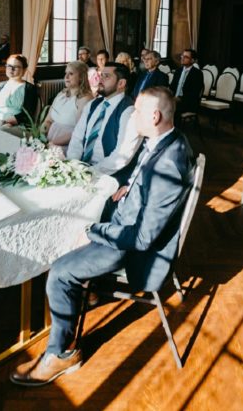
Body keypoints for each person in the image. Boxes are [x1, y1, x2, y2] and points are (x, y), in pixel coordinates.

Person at [10, 86, 194, 387]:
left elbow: (143, 237)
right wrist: (130, 188)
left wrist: (94, 232)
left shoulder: (170, 162)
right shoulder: (165, 141)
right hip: (127, 221)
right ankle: (87, 291)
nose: (132, 116)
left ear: (155, 115)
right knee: (70, 227)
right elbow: (146, 181)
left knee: (59, 271)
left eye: (137, 111)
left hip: (133, 248)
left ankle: (62, 353)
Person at [67, 63, 138, 175]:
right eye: (101, 75)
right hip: (81, 169)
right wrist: (73, 165)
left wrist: (90, 172)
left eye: (107, 76)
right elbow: (77, 138)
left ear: (121, 83)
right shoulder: (92, 105)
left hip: (108, 174)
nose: (100, 79)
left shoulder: (129, 111)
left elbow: (121, 156)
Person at [43, 61, 93, 153]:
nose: (66, 77)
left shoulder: (85, 99)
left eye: (71, 74)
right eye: (65, 73)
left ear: (81, 77)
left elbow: (79, 131)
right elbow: (48, 120)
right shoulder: (61, 94)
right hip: (49, 141)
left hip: (67, 146)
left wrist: (51, 143)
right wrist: (41, 136)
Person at [0, 53, 39, 134]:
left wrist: (6, 122)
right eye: (9, 66)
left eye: (16, 67)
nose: (11, 69)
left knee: (1, 131)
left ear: (24, 70)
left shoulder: (30, 89)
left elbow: (28, 115)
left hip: (19, 125)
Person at [169, 48, 203, 119]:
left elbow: (194, 93)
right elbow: (172, 87)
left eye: (186, 57)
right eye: (182, 56)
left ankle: (173, 128)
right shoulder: (178, 71)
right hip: (175, 99)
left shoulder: (197, 74)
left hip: (188, 102)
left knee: (170, 106)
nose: (182, 58)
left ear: (192, 60)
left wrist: (179, 98)